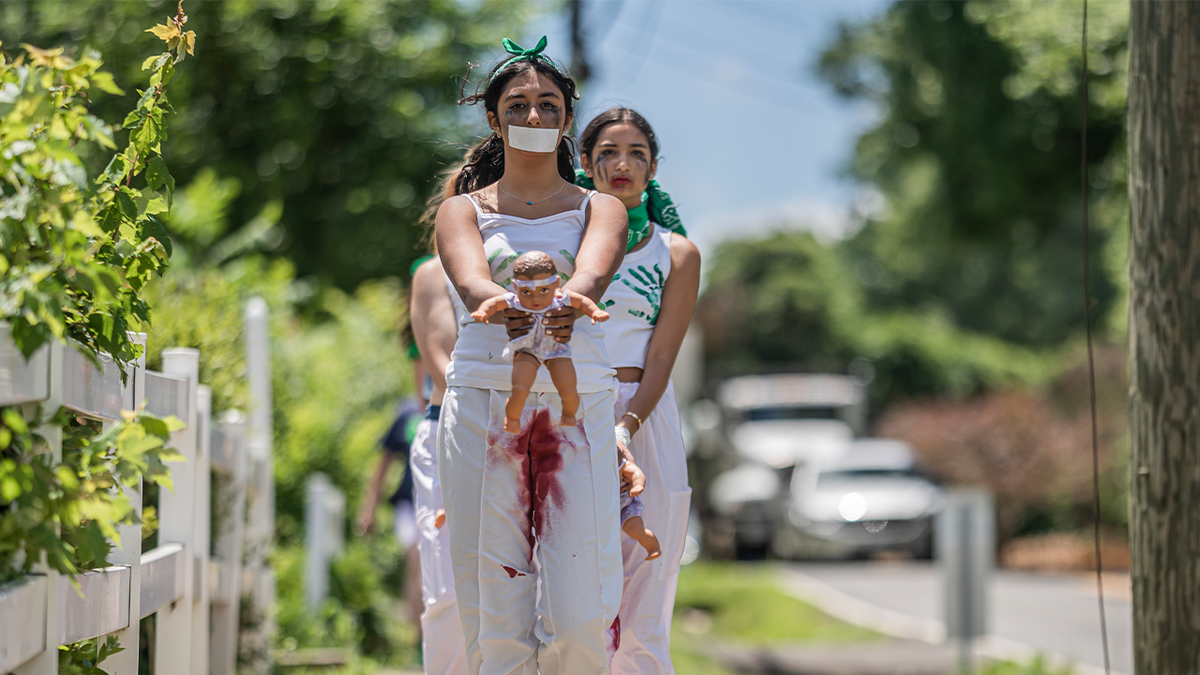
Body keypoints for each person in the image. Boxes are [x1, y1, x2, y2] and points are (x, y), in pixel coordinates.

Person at [434, 36, 633, 675]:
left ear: (567, 120)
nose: (533, 118)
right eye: (517, 106)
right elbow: (471, 282)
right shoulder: (462, 210)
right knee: (496, 615)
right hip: (484, 403)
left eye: (549, 106)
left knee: (580, 618)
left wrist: (569, 300)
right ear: (493, 119)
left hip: (577, 409)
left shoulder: (596, 206)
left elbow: (594, 273)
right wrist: (495, 301)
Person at [577, 107, 700, 674]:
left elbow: (663, 354)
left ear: (654, 167)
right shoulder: (565, 236)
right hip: (570, 412)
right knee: (572, 583)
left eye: (636, 154)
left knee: (647, 586)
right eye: (607, 152)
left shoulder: (676, 253)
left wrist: (628, 425)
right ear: (584, 163)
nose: (621, 165)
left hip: (645, 417)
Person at [469, 251, 611, 430]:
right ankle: (512, 418)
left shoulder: (560, 298)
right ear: (515, 286)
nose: (535, 298)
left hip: (556, 349)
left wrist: (594, 311)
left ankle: (569, 413)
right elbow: (494, 303)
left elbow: (582, 301)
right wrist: (484, 311)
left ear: (556, 283)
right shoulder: (515, 301)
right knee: (520, 388)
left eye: (544, 290)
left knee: (568, 390)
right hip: (526, 349)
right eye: (526, 291)